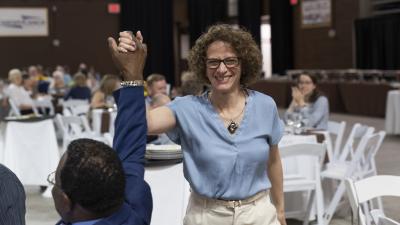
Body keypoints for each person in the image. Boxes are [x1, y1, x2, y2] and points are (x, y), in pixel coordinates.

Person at [116, 24, 286, 225]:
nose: (221, 69)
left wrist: (281, 211)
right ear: (203, 67)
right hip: (207, 216)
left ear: (244, 63)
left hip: (260, 214)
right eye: (213, 62)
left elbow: (273, 161)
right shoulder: (187, 109)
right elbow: (141, 123)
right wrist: (133, 76)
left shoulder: (265, 106)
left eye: (230, 60)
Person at [51, 35, 153, 224]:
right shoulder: (137, 206)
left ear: (66, 202)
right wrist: (133, 75)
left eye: (55, 183)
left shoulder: (137, 202)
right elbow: (130, 154)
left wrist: (133, 76)